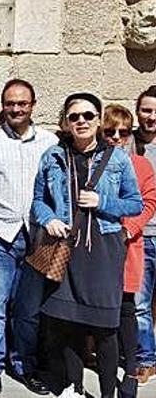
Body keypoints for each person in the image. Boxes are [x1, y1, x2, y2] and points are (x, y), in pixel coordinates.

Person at [32, 93, 143, 398]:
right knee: (69, 324)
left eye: (88, 116)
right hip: (65, 248)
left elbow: (135, 204)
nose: (81, 121)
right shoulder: (52, 157)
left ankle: (108, 393)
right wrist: (49, 218)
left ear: (98, 119)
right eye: (74, 116)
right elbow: (38, 201)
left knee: (106, 328)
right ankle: (75, 387)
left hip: (104, 248)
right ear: (65, 122)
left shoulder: (117, 158)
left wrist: (102, 201)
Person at [0, 79, 56, 395]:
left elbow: (56, 188)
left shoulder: (49, 142)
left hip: (37, 237)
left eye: (22, 103)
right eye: (10, 103)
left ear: (33, 105)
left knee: (28, 310)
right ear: (2, 105)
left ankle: (23, 366)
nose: (16, 109)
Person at [102, 104, 156, 397]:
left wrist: (127, 229)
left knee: (129, 308)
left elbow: (149, 202)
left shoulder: (140, 164)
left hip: (128, 244)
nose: (117, 137)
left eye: (123, 132)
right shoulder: (94, 160)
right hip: (97, 248)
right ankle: (108, 371)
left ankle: (133, 368)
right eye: (110, 132)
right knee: (103, 310)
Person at [134, 85, 156, 384]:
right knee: (140, 303)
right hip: (142, 235)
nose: (152, 116)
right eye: (147, 110)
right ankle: (145, 358)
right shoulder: (128, 144)